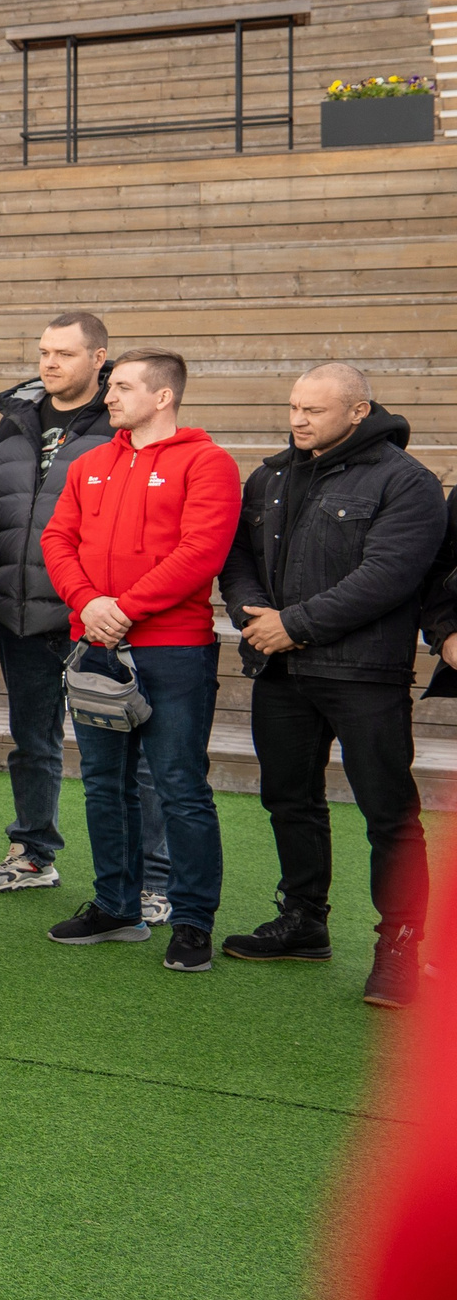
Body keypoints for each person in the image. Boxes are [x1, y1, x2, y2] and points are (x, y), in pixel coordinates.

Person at [218, 363, 443, 1008]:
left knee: (388, 814)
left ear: (358, 411)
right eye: (293, 407)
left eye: (312, 410)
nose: (297, 420)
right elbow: (236, 558)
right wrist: (254, 617)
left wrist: (296, 625)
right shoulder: (270, 476)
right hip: (281, 670)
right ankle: (303, 921)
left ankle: (399, 944)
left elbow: (389, 576)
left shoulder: (408, 483)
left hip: (364, 674)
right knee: (288, 799)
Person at [41, 349, 242, 973]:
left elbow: (201, 552)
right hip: (96, 647)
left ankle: (191, 922)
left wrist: (122, 608)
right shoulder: (90, 462)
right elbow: (57, 538)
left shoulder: (207, 463)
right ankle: (116, 906)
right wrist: (87, 604)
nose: (109, 397)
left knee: (180, 787)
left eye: (122, 387)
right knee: (104, 784)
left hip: (173, 650)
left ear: (163, 397)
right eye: (110, 387)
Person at [0, 312, 171, 921]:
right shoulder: (14, 420)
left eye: (62, 353)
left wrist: (107, 604)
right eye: (42, 352)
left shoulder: (120, 422)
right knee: (32, 741)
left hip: (98, 617)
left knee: (133, 755)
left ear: (99, 358)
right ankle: (34, 853)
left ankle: (151, 879)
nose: (48, 363)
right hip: (20, 612)